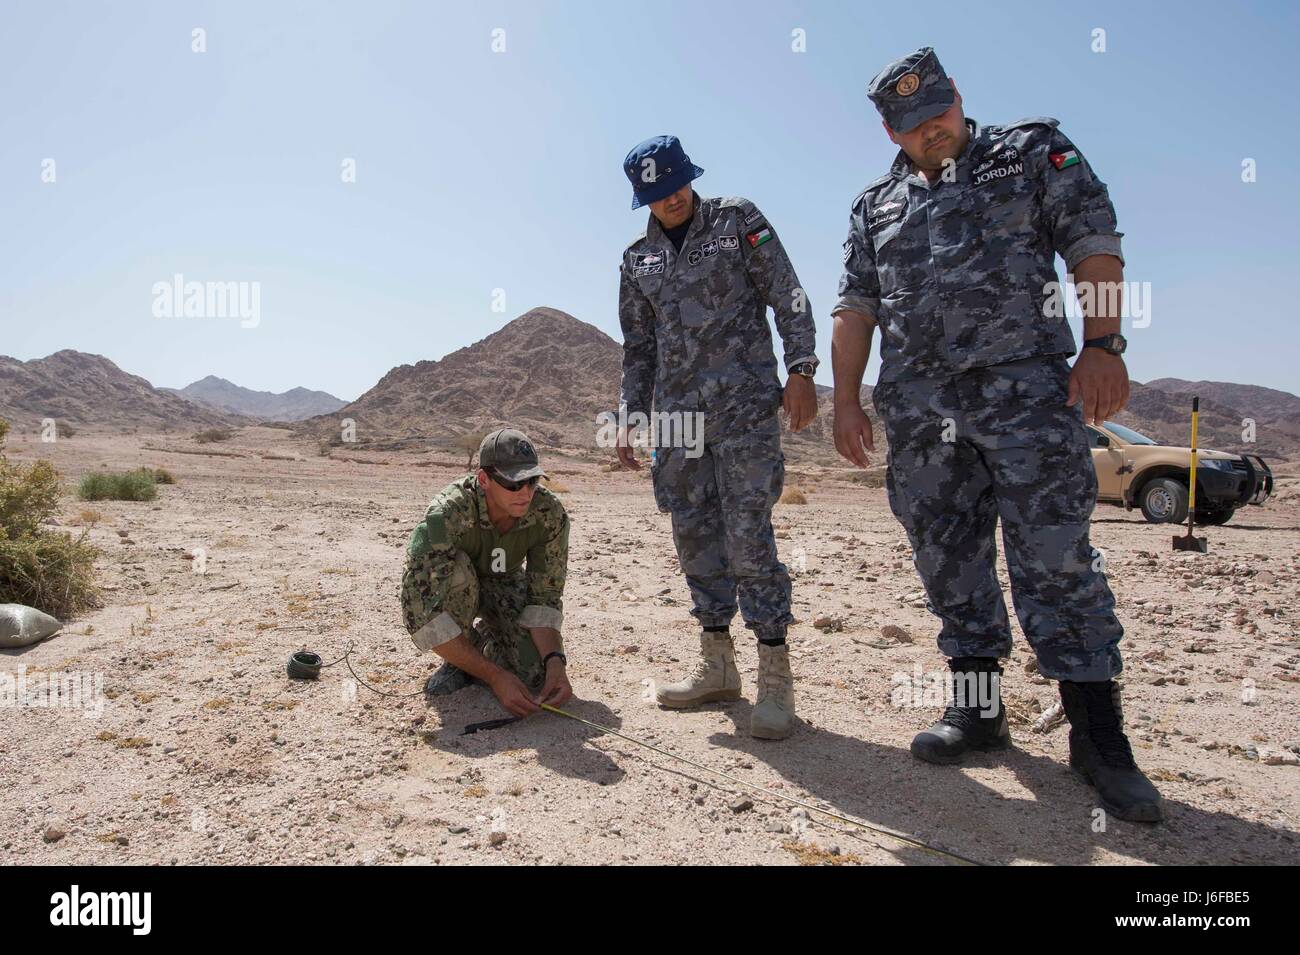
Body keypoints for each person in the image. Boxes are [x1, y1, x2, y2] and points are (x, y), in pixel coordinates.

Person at [830, 48, 1161, 821]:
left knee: (1055, 558)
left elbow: (1092, 241)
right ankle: (979, 710)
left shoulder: (1029, 152)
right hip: (919, 413)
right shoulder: (873, 202)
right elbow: (856, 306)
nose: (932, 132)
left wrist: (1103, 343)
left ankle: (1097, 737)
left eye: (939, 114)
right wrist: (848, 399)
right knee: (948, 560)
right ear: (889, 128)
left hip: (1027, 396)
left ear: (958, 98)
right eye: (913, 126)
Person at [616, 134, 819, 740]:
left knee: (748, 533)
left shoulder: (737, 221)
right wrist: (632, 413)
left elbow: (788, 293)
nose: (671, 199)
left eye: (676, 185)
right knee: (693, 532)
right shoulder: (636, 260)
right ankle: (717, 666)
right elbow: (639, 348)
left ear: (691, 177)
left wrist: (802, 369)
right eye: (656, 194)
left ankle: (774, 677)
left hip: (745, 409)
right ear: (642, 198)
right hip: (678, 421)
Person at [400, 428, 571, 717]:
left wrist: (556, 661)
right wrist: (495, 677)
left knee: (534, 675)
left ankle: (481, 645)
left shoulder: (547, 513)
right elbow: (422, 613)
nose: (526, 492)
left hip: (504, 582)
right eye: (513, 484)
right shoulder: (447, 514)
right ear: (484, 480)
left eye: (531, 481)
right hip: (454, 588)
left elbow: (545, 596)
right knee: (459, 574)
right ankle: (460, 660)